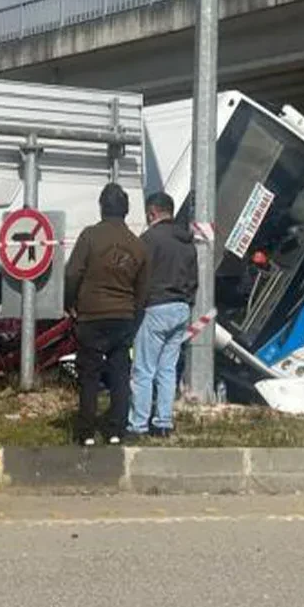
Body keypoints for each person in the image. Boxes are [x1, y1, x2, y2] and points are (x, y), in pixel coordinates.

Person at [64, 183, 149, 447]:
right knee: (119, 374)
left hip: (91, 313)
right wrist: (133, 314)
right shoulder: (137, 245)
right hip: (123, 315)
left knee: (89, 373)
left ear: (102, 207)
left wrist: (70, 303)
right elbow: (143, 289)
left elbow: (72, 273)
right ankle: (116, 431)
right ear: (126, 210)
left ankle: (86, 432)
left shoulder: (89, 236)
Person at [127, 191, 198, 440]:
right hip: (181, 308)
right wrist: (188, 302)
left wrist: (136, 305)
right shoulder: (187, 241)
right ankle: (164, 423)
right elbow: (194, 279)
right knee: (167, 369)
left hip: (155, 307)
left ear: (152, 212)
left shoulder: (148, 239)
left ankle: (138, 425)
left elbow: (137, 275)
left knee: (143, 370)